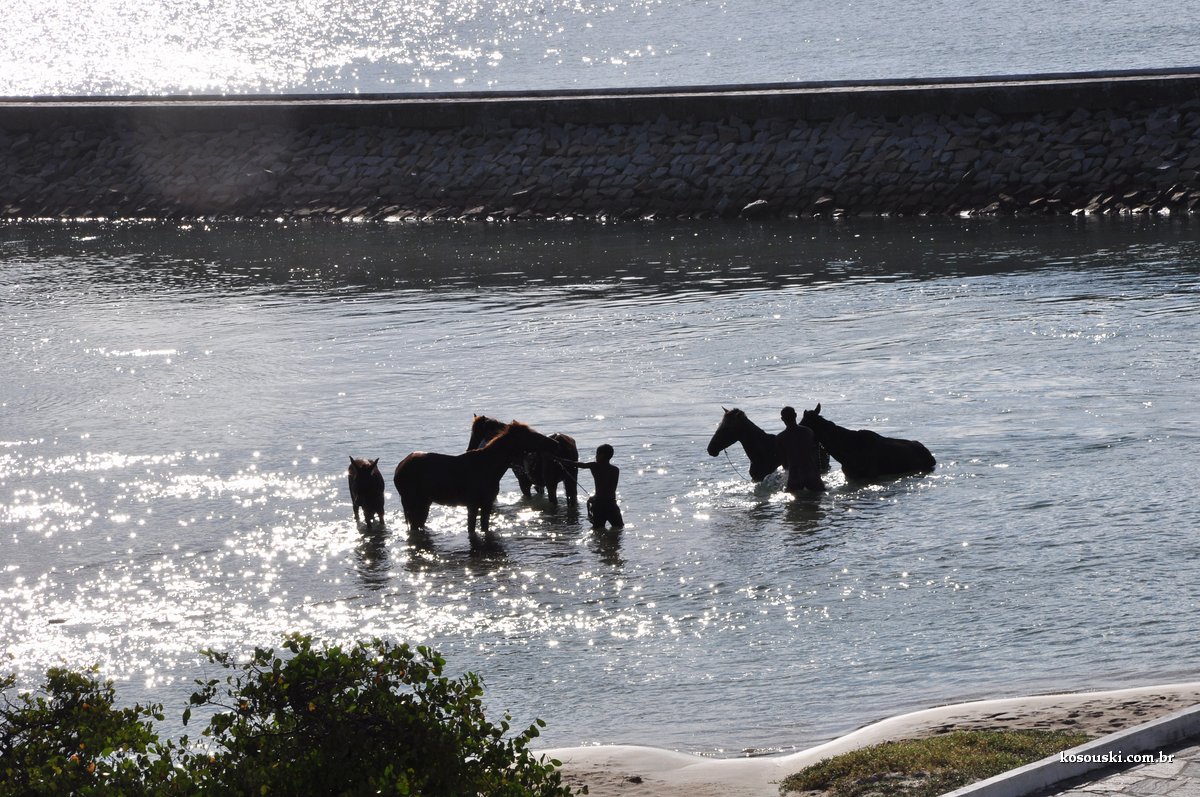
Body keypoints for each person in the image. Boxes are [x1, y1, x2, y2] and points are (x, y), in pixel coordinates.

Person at [562, 444, 624, 530]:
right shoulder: (615, 470)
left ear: (601, 455)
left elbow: (576, 464)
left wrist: (559, 459)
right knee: (619, 528)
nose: (596, 456)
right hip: (611, 505)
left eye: (597, 454)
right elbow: (610, 489)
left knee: (597, 530)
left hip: (599, 505)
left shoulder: (594, 466)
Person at [776, 406, 826, 493]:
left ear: (782, 419)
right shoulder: (808, 432)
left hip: (795, 475)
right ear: (795, 415)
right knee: (818, 499)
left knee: (793, 502)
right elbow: (815, 452)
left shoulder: (780, 438)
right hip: (811, 473)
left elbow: (784, 463)